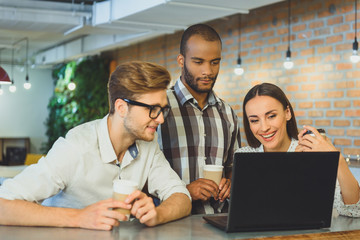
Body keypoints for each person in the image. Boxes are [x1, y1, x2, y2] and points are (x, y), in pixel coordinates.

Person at [0, 61, 192, 230]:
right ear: (121, 108)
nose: (160, 119)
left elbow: (181, 196)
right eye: (152, 110)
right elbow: (2, 205)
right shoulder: (76, 147)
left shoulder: (148, 145)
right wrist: (79, 217)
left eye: (162, 110)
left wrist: (158, 214)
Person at [237, 82, 360, 217]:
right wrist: (291, 165)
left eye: (271, 116)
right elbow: (249, 211)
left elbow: (353, 210)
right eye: (254, 120)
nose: (264, 127)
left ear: (287, 113)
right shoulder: (244, 156)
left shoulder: (310, 153)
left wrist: (337, 159)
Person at [158, 24, 241, 214]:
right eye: (198, 62)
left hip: (220, 221)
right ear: (181, 60)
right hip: (172, 222)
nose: (208, 71)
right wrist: (184, 191)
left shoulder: (228, 113)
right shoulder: (159, 107)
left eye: (214, 62)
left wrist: (230, 183)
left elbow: (233, 167)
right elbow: (142, 175)